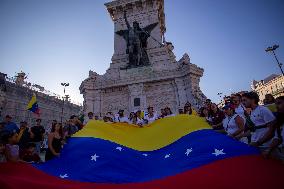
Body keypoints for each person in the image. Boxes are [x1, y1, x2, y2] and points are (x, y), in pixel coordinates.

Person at [263, 96, 284, 161]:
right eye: (276, 104)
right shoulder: (279, 120)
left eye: (279, 103)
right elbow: (277, 137)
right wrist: (269, 150)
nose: (277, 106)